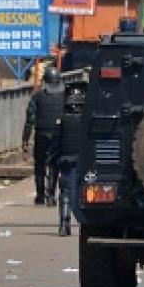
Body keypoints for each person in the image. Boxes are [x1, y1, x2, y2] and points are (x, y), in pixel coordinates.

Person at [23, 66, 64, 206]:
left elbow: (30, 119)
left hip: (41, 134)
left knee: (40, 164)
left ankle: (40, 195)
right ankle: (51, 195)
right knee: (54, 165)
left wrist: (25, 139)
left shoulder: (37, 96)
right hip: (58, 135)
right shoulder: (65, 97)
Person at [49, 82, 86, 237]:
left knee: (66, 192)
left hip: (66, 162)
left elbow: (55, 145)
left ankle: (64, 224)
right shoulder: (88, 120)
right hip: (85, 164)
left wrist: (52, 164)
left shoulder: (62, 121)